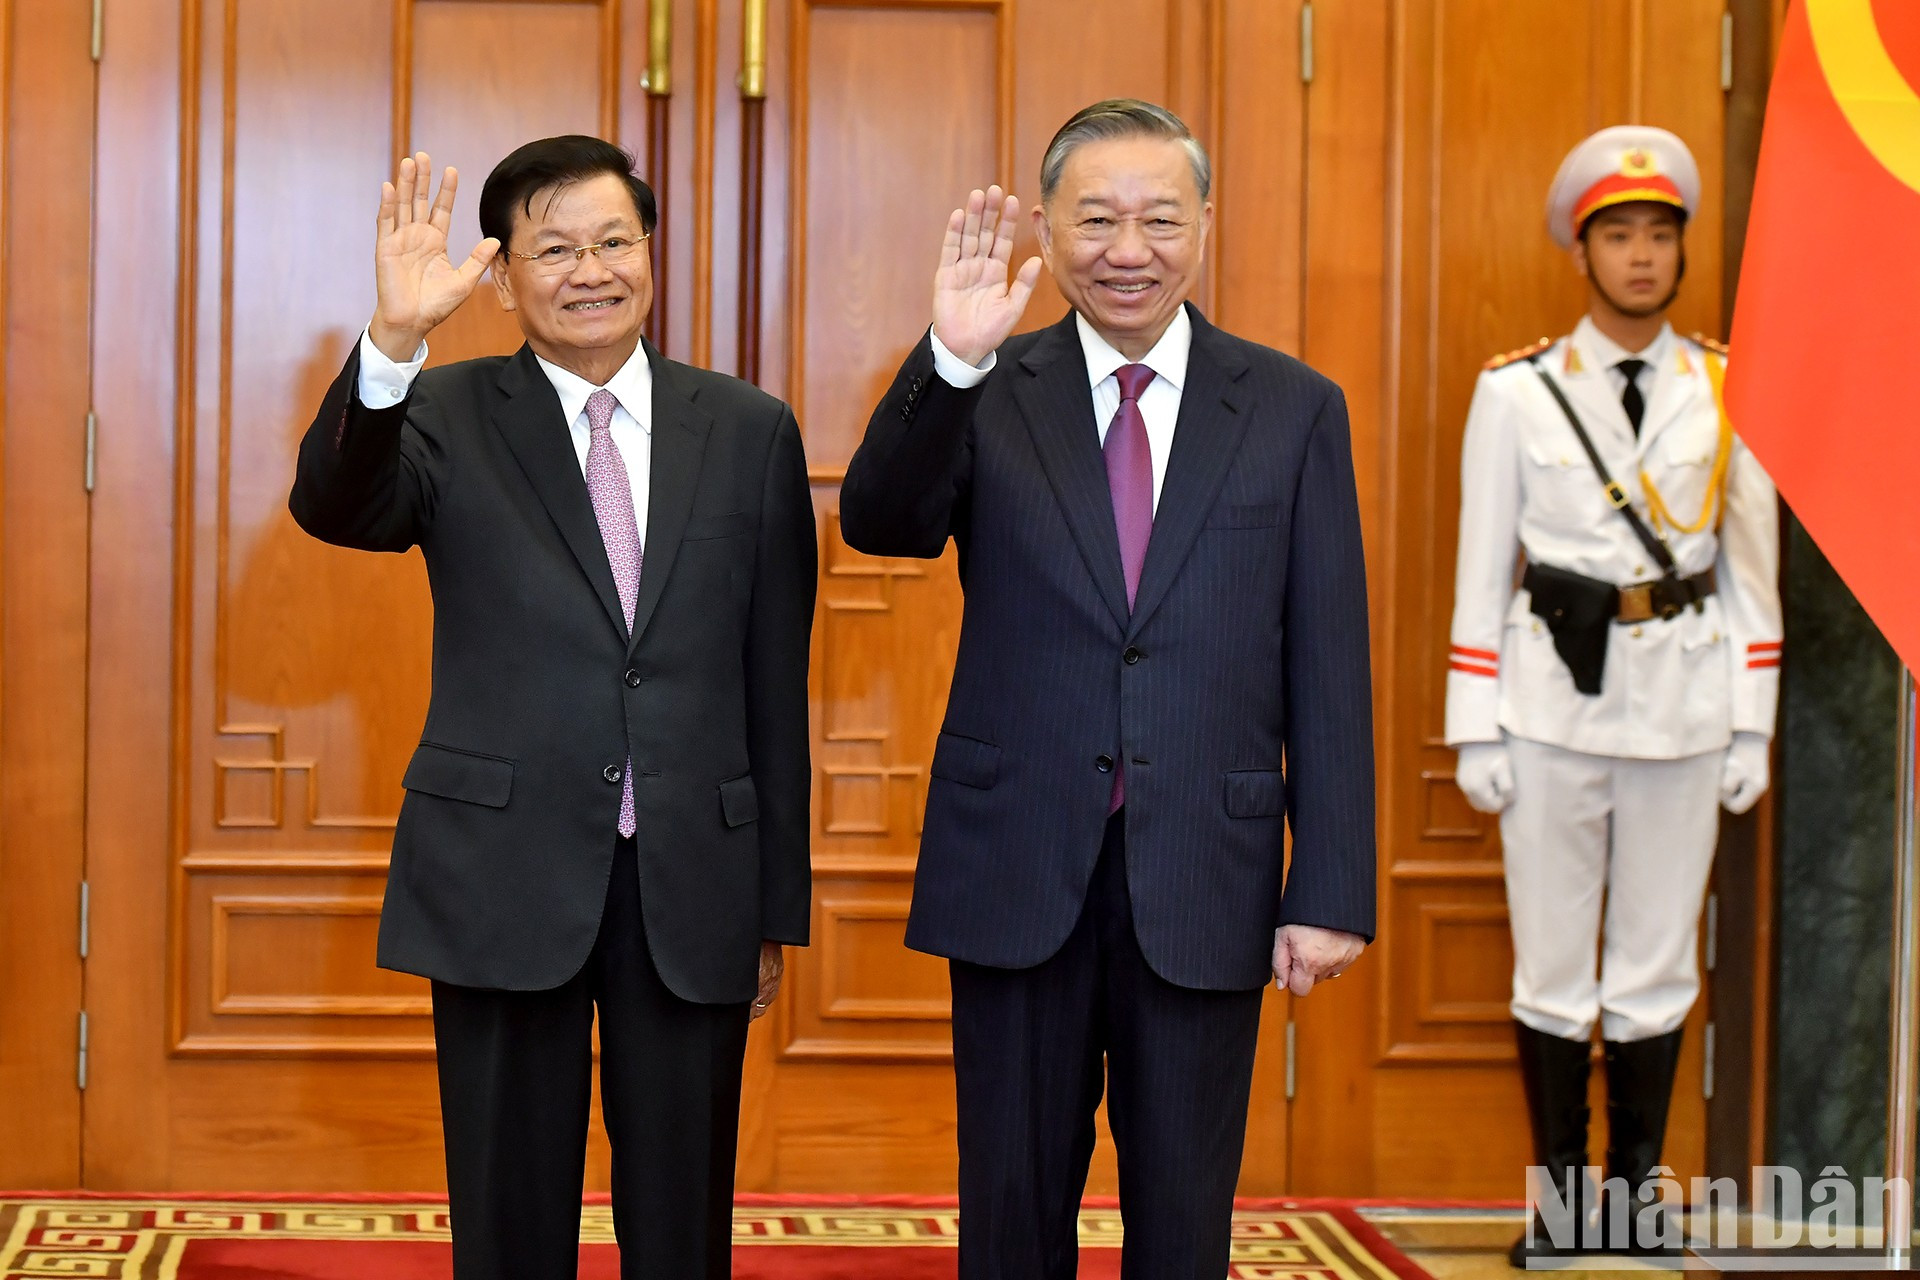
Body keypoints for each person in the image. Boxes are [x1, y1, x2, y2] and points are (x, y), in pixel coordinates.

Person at [840, 99, 1376, 1279]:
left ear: (1203, 225)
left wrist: (1328, 877)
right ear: (1045, 224)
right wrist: (951, 357)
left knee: (1183, 1220)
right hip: (1018, 859)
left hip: (1206, 869)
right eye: (1094, 218)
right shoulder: (993, 382)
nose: (1126, 249)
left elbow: (1329, 654)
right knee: (1012, 1208)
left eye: (1157, 219)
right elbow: (882, 520)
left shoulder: (1291, 408)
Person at [288, 135, 816, 1280]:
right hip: (501, 868)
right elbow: (335, 504)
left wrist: (775, 898)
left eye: (614, 241)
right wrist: (391, 341)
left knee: (683, 1216)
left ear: (651, 255)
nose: (591, 270)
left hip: (689, 877)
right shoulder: (440, 411)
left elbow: (777, 680)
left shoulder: (749, 428)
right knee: (508, 1208)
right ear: (503, 274)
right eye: (556, 248)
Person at [1443, 126, 1781, 1265]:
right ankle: (1560, 1205)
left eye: (1660, 235)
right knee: (1550, 962)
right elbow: (1481, 564)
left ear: (1681, 253)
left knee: (1655, 964)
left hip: (1685, 704)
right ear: (1580, 250)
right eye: (1618, 235)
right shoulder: (1520, 392)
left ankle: (1633, 1201)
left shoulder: (1730, 389)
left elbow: (1750, 571)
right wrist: (1472, 722)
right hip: (1545, 710)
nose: (1641, 256)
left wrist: (1752, 717)